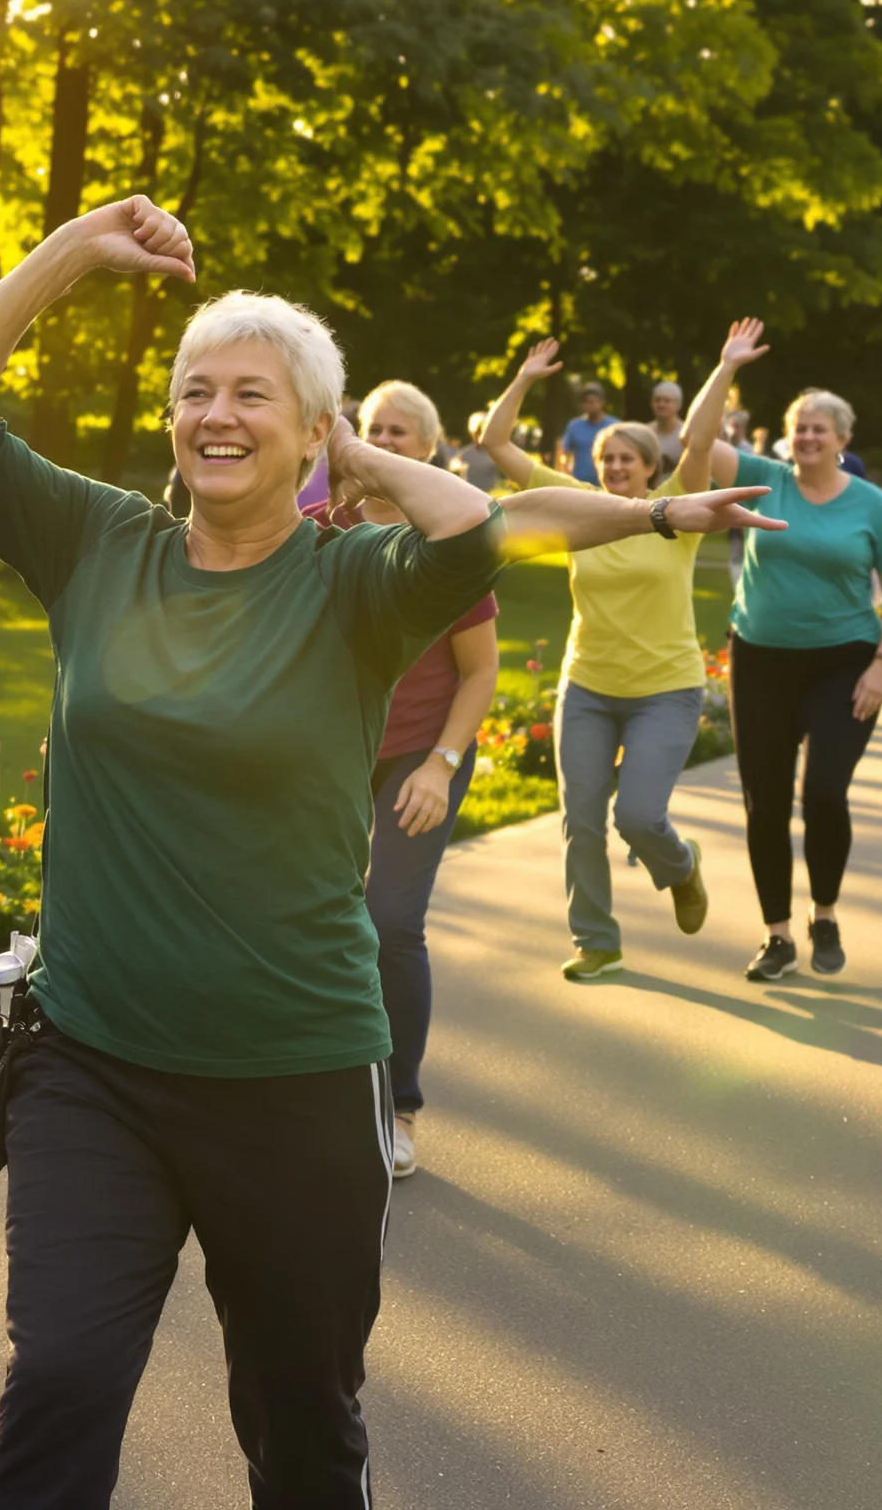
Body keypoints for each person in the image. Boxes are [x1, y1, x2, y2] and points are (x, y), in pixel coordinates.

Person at [0, 194, 778, 1507]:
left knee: (303, 1419)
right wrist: (76, 251)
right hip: (94, 1065)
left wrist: (365, 462)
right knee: (62, 1388)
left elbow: (475, 533)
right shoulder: (100, 546)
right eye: (198, 391)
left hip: (294, 1076)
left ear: (314, 431)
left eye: (257, 395)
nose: (217, 416)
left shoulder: (355, 584)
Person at [482, 321, 767, 978]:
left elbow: (698, 438)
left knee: (638, 816)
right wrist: (525, 378)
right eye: (606, 458)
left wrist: (725, 367)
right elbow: (495, 442)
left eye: (627, 460)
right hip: (588, 687)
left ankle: (681, 867)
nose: (613, 468)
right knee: (580, 820)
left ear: (651, 468)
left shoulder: (680, 510)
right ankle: (596, 940)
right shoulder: (576, 504)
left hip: (664, 689)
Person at [702, 381, 882, 982]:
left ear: (843, 440)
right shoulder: (763, 478)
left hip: (845, 663)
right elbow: (696, 440)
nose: (809, 436)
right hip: (761, 661)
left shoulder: (872, 505)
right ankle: (777, 936)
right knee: (763, 803)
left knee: (824, 792)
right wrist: (726, 369)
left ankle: (824, 914)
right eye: (800, 427)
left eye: (821, 428)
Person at [353, 381, 501, 1176]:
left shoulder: (452, 541)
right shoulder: (319, 528)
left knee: (389, 918)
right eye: (372, 427)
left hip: (422, 752)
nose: (382, 440)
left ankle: (400, 1106)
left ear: (431, 450)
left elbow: (479, 674)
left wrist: (443, 766)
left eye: (400, 431)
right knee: (316, 921)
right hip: (336, 752)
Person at [558, 381, 616, 484]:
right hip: (579, 483)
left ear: (602, 402)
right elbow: (564, 452)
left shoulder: (614, 426)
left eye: (593, 401)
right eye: (587, 402)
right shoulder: (574, 425)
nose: (590, 405)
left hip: (607, 484)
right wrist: (565, 472)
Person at [447, 409, 504, 493]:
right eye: (477, 432)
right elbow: (453, 469)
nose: (479, 436)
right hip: (471, 497)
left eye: (482, 432)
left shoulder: (498, 453)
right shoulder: (465, 453)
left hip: (492, 499)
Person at [647, 379, 686, 470]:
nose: (661, 404)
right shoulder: (645, 432)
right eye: (657, 400)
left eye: (667, 401)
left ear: (678, 405)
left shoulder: (687, 434)